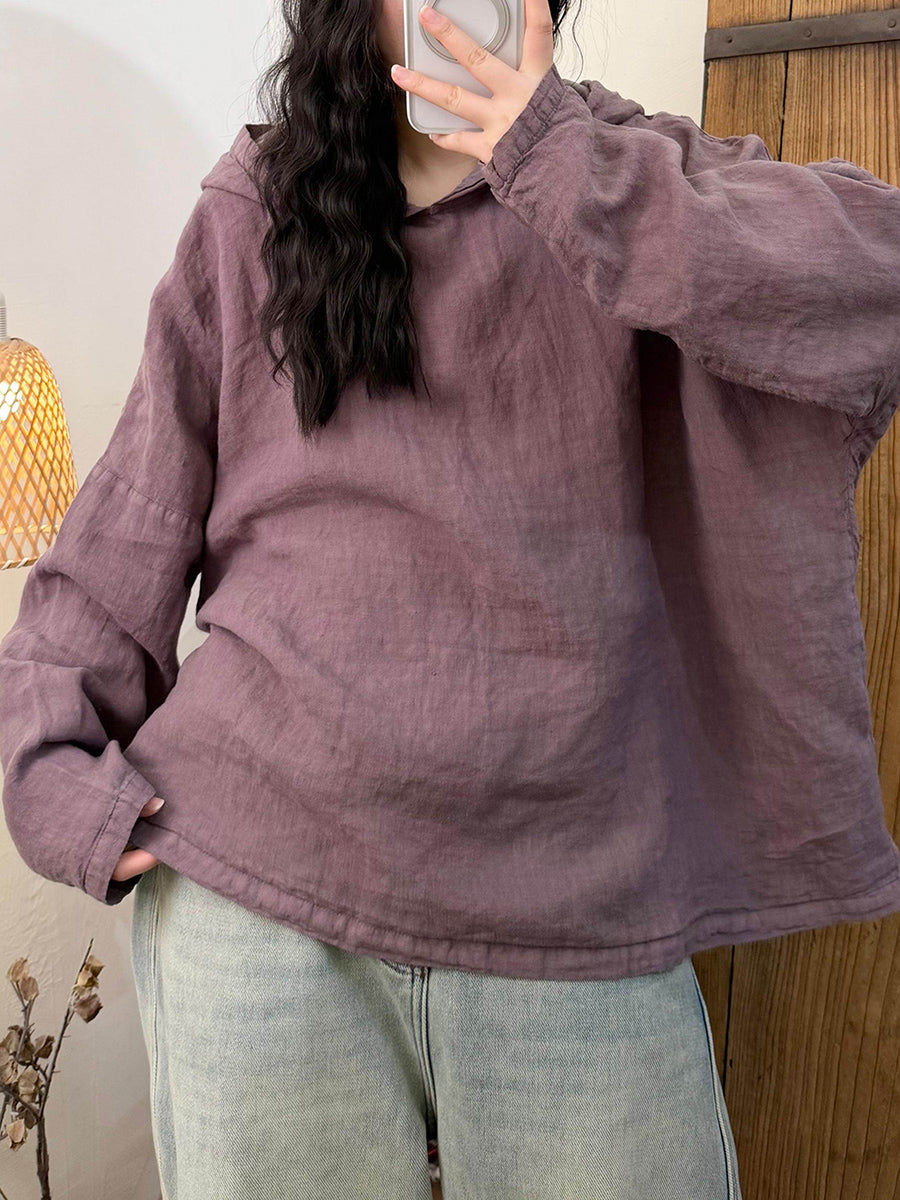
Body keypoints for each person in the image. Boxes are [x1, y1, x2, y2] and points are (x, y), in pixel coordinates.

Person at [3, 0, 900, 1191]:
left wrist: (560, 162)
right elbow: (132, 513)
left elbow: (873, 283)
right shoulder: (255, 209)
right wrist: (51, 768)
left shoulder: (626, 171)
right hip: (260, 904)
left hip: (581, 910)